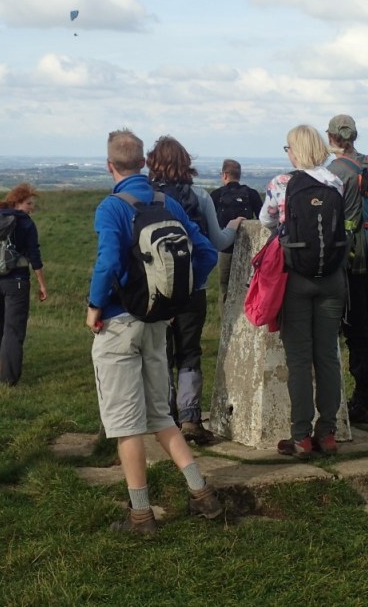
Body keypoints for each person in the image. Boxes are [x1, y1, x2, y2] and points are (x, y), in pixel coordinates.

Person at [87, 129, 225, 533]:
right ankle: (203, 494)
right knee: (161, 416)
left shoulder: (112, 207)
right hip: (155, 321)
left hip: (118, 322)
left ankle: (141, 515)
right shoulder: (166, 202)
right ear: (143, 164)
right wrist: (174, 300)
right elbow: (205, 253)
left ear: (110, 166)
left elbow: (109, 260)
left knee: (127, 424)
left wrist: (95, 306)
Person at [146, 136, 242, 444]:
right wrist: (235, 226)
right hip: (192, 288)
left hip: (153, 292)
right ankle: (190, 419)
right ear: (186, 163)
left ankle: (166, 418)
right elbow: (218, 242)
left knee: (161, 353)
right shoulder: (199, 196)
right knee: (189, 353)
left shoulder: (145, 197)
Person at [260, 124, 347, 458]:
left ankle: (300, 436)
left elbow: (267, 221)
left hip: (296, 277)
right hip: (333, 278)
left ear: (294, 150)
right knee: (327, 356)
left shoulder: (281, 184)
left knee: (298, 360)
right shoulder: (334, 182)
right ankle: (327, 434)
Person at [326, 114, 368, 425]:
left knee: (355, 329)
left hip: (353, 258)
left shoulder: (336, 171)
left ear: (332, 137)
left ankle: (364, 400)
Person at [0, 183, 48, 386]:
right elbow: (34, 255)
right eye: (28, 203)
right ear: (17, 203)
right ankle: (8, 378)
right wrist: (42, 284)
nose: (31, 207)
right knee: (14, 329)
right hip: (15, 280)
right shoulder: (25, 223)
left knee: (0, 323)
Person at [210, 159, 265, 306]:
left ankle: (225, 324)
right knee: (248, 287)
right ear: (239, 175)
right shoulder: (251, 194)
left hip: (225, 248)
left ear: (225, 175)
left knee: (224, 288)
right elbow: (263, 221)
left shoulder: (216, 195)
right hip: (248, 248)